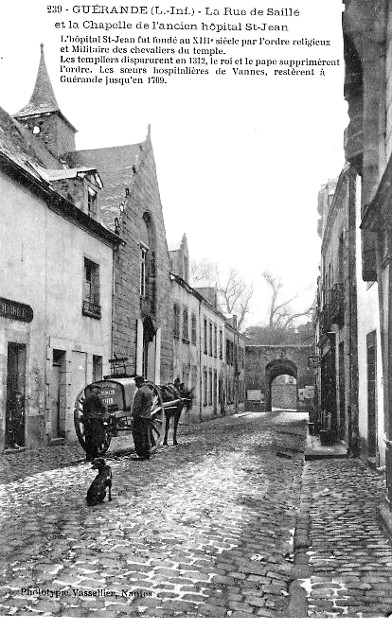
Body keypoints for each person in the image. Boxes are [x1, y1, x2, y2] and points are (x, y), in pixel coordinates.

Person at [131, 375, 152, 461]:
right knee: (145, 435)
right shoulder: (148, 391)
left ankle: (140, 454)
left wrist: (133, 415)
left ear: (139, 382)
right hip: (146, 416)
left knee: (138, 436)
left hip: (139, 417)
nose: (136, 384)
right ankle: (146, 453)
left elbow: (137, 406)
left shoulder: (140, 391)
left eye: (136, 382)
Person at [83, 384, 106, 462]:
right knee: (96, 436)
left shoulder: (88, 397)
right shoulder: (95, 396)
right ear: (94, 389)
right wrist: (104, 411)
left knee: (89, 437)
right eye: (98, 389)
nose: (99, 391)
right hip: (94, 418)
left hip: (87, 419)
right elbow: (101, 406)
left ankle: (89, 455)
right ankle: (95, 455)